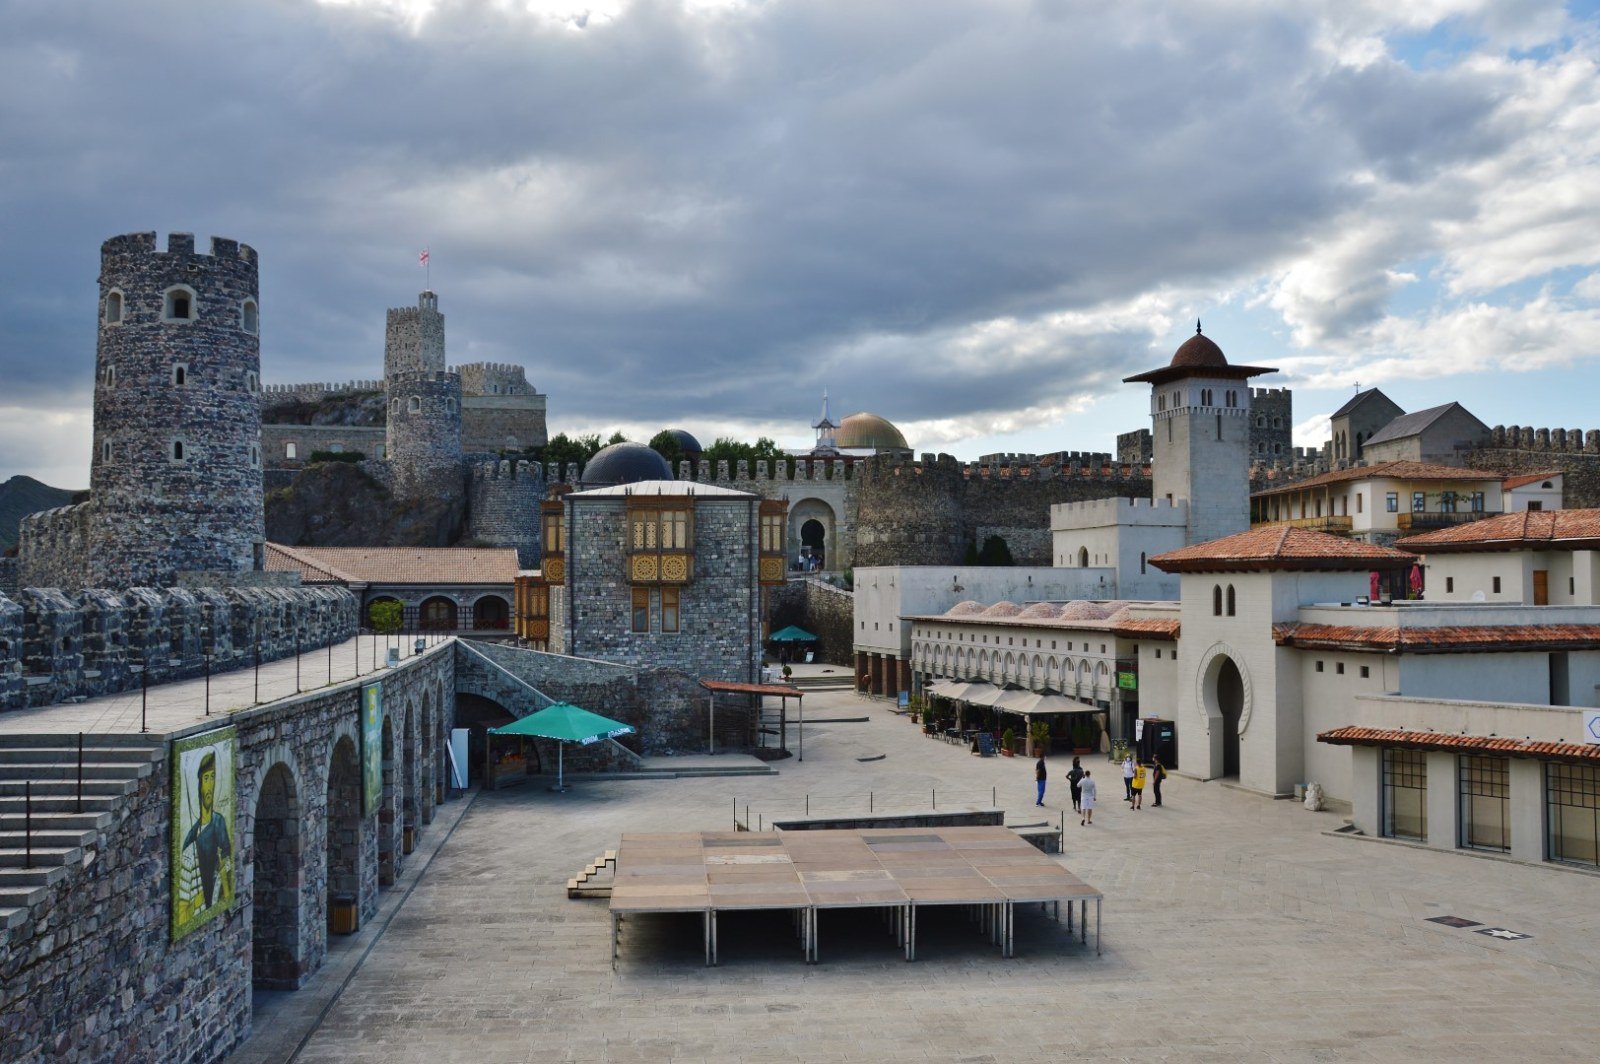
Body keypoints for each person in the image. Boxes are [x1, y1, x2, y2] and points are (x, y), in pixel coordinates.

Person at [182, 751, 233, 909]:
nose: (210, 785)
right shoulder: (191, 836)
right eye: (206, 778)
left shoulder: (219, 823)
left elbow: (227, 861)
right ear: (199, 785)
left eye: (212, 777)